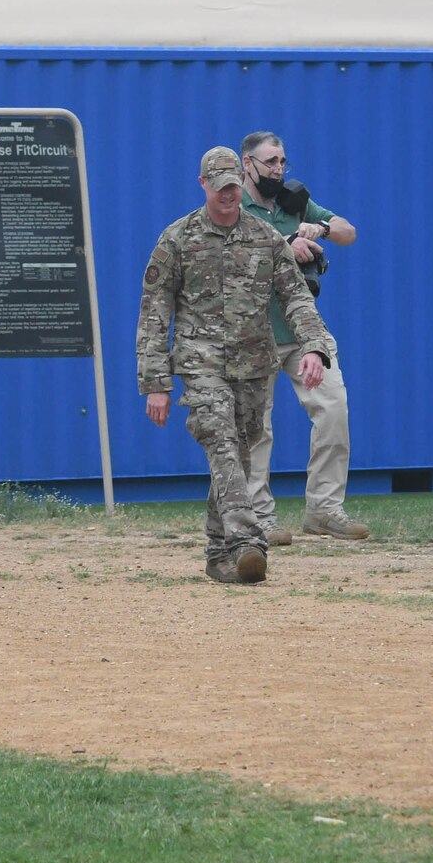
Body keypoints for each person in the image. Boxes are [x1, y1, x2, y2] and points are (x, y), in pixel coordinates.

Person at [138, 146, 336, 585]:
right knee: (221, 440)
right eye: (220, 187)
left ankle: (218, 553)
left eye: (233, 186)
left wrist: (314, 348)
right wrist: (156, 381)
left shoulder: (265, 238)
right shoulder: (177, 239)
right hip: (200, 362)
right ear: (203, 185)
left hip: (253, 364)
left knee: (240, 453)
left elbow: (296, 296)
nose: (228, 195)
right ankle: (248, 541)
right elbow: (155, 311)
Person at [239, 131, 367, 544]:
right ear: (247, 164)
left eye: (282, 162)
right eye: (270, 162)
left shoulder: (294, 201)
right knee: (256, 427)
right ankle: (259, 516)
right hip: (253, 332)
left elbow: (350, 231)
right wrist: (286, 244)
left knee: (333, 407)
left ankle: (324, 510)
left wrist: (322, 228)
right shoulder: (231, 204)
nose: (278, 169)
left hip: (302, 330)